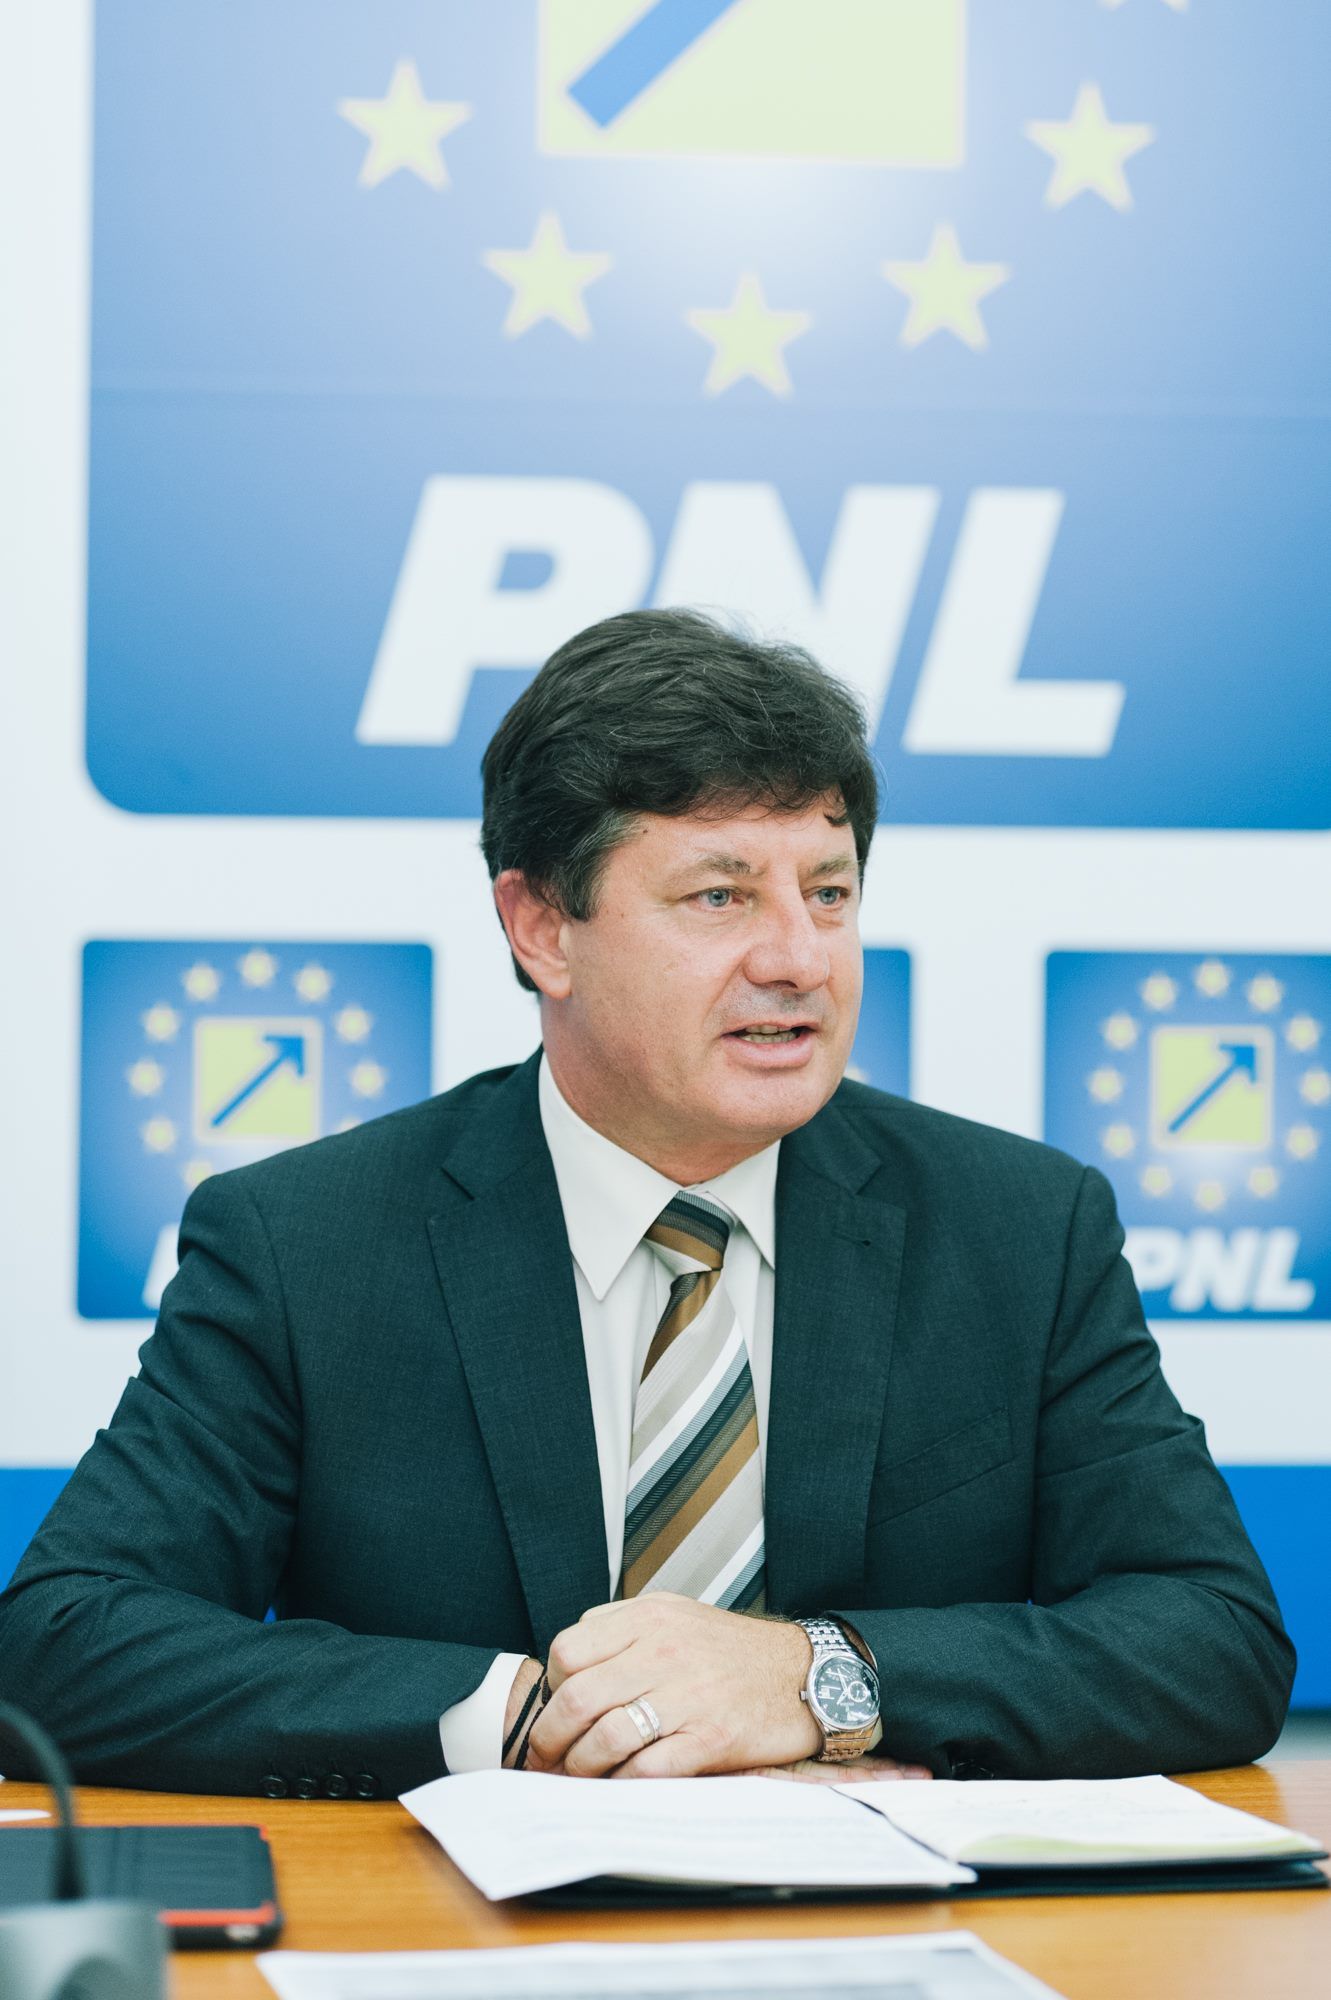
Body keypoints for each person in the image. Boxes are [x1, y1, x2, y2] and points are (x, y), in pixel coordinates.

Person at [0, 609, 1293, 1798]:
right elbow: (63, 1640)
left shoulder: (1020, 1227)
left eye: (828, 892)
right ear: (541, 929)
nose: (798, 958)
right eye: (719, 896)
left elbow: (1215, 1639)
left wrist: (814, 1678)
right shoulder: (306, 1244)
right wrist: (532, 1713)